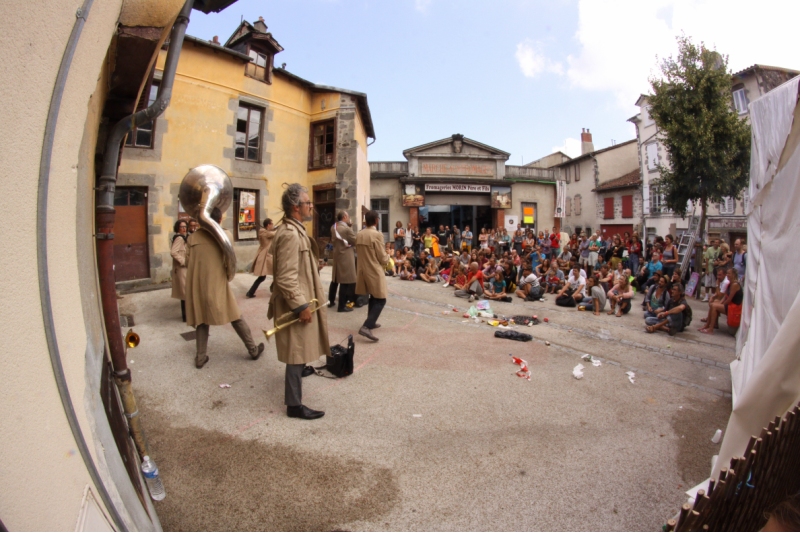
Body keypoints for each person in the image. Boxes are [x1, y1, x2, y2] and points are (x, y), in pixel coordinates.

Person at [269, 183, 329, 419]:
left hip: (300, 297)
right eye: (307, 203)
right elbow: (285, 277)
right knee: (296, 351)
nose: (311, 206)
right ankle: (294, 405)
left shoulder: (295, 230)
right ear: (296, 207)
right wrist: (301, 306)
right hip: (295, 302)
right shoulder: (290, 234)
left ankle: (298, 383)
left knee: (299, 348)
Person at [186, 207, 264, 369]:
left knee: (201, 319)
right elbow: (231, 262)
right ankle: (253, 350)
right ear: (220, 219)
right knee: (235, 316)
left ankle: (200, 357)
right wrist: (227, 277)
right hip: (218, 282)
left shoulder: (193, 238)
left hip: (199, 285)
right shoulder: (225, 235)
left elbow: (188, 262)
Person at [356, 210, 391, 342]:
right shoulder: (377, 234)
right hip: (374, 269)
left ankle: (371, 321)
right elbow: (382, 257)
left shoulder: (360, 234)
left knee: (373, 296)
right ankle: (367, 325)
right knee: (381, 298)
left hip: (362, 269)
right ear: (376, 220)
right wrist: (388, 256)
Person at [327, 211, 357, 312]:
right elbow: (354, 240)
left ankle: (331, 301)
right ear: (344, 217)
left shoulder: (333, 227)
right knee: (345, 281)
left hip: (337, 255)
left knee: (335, 279)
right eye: (348, 216)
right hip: (346, 256)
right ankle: (342, 306)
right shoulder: (347, 229)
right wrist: (350, 227)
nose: (348, 218)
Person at [699, 268, 742, 335]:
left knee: (714, 306)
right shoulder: (730, 283)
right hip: (730, 305)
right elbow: (725, 296)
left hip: (734, 308)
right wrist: (720, 303)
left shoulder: (735, 285)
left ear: (733, 274)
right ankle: (707, 325)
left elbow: (729, 299)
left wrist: (721, 305)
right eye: (727, 273)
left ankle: (710, 329)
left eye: (729, 273)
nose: (727, 275)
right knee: (713, 304)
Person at [246, 218, 276, 299]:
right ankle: (251, 292)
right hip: (265, 256)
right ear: (268, 225)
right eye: (272, 224)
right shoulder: (263, 232)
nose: (273, 225)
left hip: (268, 256)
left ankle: (251, 292)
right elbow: (274, 234)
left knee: (273, 274)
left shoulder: (267, 232)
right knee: (269, 275)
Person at [170, 219, 189, 321]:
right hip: (182, 269)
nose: (184, 229)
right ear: (178, 228)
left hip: (184, 269)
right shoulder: (179, 238)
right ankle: (186, 316)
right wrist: (183, 261)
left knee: (185, 293)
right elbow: (173, 252)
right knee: (185, 293)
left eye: (185, 226)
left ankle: (187, 316)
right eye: (182, 227)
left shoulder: (183, 237)